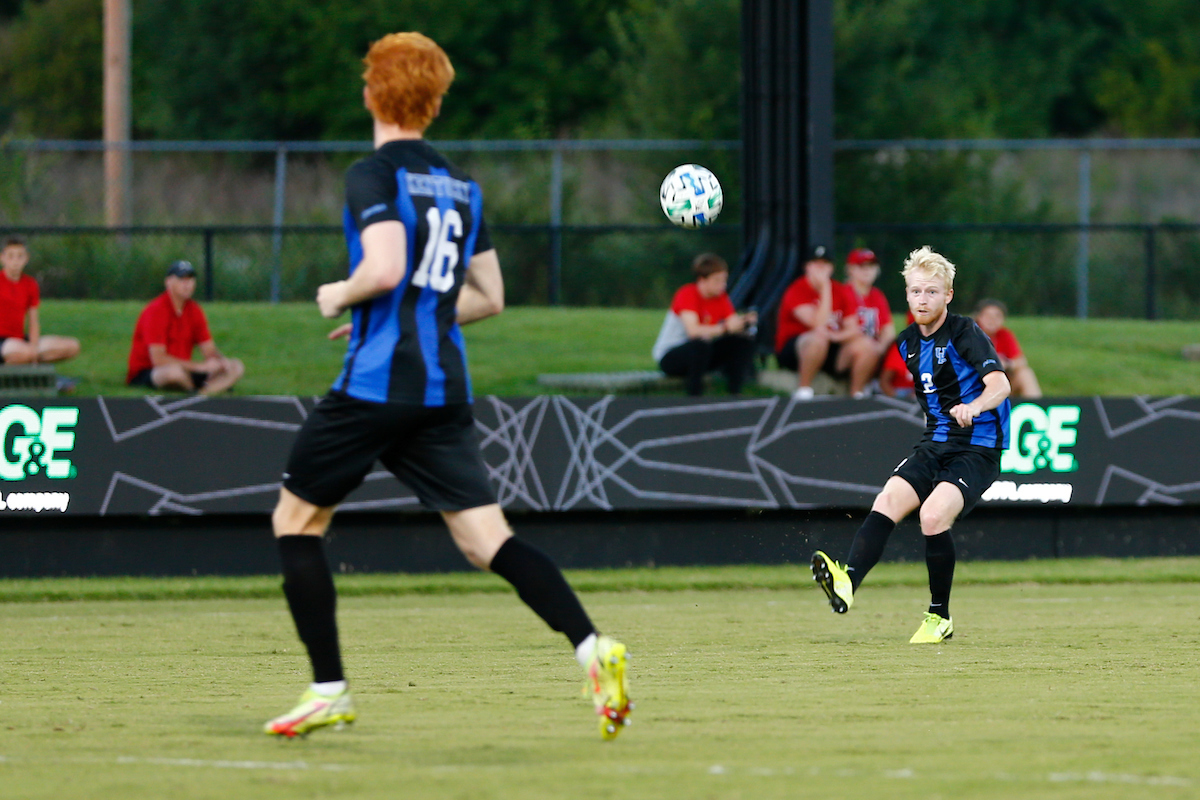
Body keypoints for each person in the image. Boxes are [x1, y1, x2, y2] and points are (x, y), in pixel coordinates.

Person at [263, 32, 631, 741]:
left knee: (295, 523)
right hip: (441, 389)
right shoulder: (461, 187)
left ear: (372, 93)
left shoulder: (372, 174)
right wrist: (412, 312)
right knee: (487, 540)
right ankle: (593, 649)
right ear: (433, 103)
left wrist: (340, 295)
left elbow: (384, 265)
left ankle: (330, 689)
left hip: (375, 386)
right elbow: (489, 295)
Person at [810, 246, 1011, 643]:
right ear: (906, 295)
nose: (923, 299)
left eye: (932, 292)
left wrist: (974, 406)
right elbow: (931, 400)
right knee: (887, 500)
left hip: (978, 447)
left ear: (948, 296)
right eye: (917, 291)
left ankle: (940, 617)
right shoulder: (906, 344)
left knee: (933, 517)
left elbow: (1000, 386)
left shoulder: (966, 333)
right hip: (935, 442)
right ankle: (848, 581)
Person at [126, 260, 245, 394]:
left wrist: (221, 361)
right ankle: (201, 388)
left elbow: (209, 351)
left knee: (236, 366)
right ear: (168, 282)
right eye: (182, 279)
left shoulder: (194, 310)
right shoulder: (156, 310)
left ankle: (201, 393)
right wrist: (200, 367)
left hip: (185, 369)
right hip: (151, 371)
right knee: (174, 373)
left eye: (191, 279)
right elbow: (159, 359)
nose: (187, 284)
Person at [774, 245, 877, 400]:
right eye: (816, 264)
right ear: (807, 267)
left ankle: (857, 394)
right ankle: (804, 390)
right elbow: (818, 324)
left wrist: (834, 337)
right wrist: (825, 289)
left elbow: (853, 328)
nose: (821, 269)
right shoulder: (797, 289)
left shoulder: (840, 290)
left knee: (867, 345)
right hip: (798, 349)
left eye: (825, 264)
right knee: (818, 338)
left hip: (830, 344)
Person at [652, 253, 757, 396]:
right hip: (672, 356)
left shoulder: (721, 298)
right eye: (717, 281)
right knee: (700, 344)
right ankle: (695, 396)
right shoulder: (687, 294)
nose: (723, 285)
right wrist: (726, 328)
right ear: (702, 280)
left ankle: (735, 393)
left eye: (724, 280)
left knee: (742, 341)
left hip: (702, 355)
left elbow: (732, 324)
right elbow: (693, 331)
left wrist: (744, 322)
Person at [0, 236, 81, 366]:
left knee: (72, 346)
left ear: (26, 258)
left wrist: (33, 345)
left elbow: (33, 320)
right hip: (4, 342)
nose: (15, 261)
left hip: (20, 340)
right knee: (24, 352)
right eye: (10, 256)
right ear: (2, 258)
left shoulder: (30, 284)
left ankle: (30, 364)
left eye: (20, 256)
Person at [974, 299, 1042, 398]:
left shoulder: (1004, 335)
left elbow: (1021, 361)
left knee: (1025, 373)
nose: (992, 320)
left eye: (997, 316)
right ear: (979, 317)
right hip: (976, 386)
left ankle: (1036, 406)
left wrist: (1007, 363)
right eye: (988, 316)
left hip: (1002, 385)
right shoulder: (970, 334)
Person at [843, 247, 895, 376]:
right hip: (846, 349)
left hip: (873, 348)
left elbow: (888, 331)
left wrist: (880, 348)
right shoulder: (843, 293)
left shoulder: (877, 295)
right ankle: (858, 392)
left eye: (871, 266)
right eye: (862, 266)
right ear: (850, 269)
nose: (867, 270)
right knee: (865, 346)